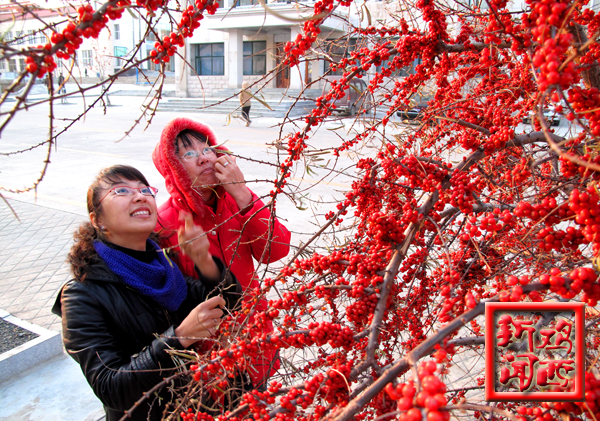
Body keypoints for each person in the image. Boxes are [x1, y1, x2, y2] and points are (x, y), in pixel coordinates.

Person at [52, 165, 242, 421]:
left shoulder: (164, 266)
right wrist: (180, 338)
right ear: (97, 220)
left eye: (145, 190)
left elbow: (230, 304)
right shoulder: (81, 295)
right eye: (121, 190)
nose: (141, 196)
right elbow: (110, 388)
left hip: (199, 406)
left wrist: (205, 261)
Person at [152, 118, 291, 389]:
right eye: (189, 154)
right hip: (208, 360)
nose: (203, 159)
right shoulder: (163, 223)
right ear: (173, 168)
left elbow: (276, 251)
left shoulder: (238, 198)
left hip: (255, 337)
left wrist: (243, 196)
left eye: (207, 150)